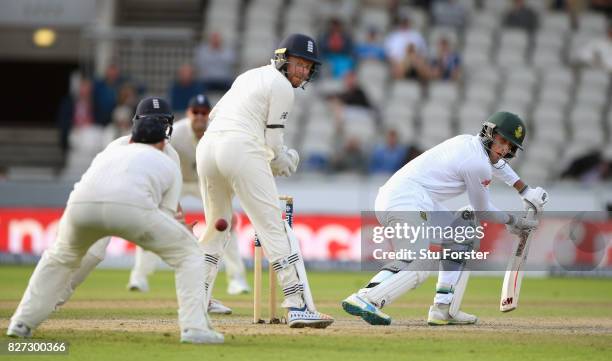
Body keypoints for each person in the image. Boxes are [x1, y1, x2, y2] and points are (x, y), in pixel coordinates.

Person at [6, 111, 223, 344]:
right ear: (162, 143)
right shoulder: (168, 161)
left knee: (58, 258)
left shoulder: (110, 152)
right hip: (132, 209)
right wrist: (183, 234)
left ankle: (21, 322)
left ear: (131, 138)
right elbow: (166, 214)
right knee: (189, 253)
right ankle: (194, 328)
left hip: (81, 206)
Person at [341, 111, 548, 326]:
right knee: (419, 262)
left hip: (415, 199)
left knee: (463, 230)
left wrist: (524, 190)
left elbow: (499, 166)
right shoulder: (476, 162)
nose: (505, 149)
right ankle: (366, 297)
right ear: (490, 133)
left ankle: (443, 308)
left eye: (511, 146)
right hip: (405, 199)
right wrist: (514, 222)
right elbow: (483, 210)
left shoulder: (469, 143)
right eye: (503, 140)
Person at [196, 33, 334, 328]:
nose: (303, 72)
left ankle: (197, 299)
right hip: (240, 146)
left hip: (207, 147)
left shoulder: (249, 76)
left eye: (308, 67)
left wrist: (272, 158)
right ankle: (298, 305)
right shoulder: (282, 86)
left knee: (217, 226)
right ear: (284, 60)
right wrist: (287, 160)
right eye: (298, 64)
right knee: (275, 227)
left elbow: (216, 116)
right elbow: (272, 143)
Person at [54, 97, 233, 315]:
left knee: (188, 249)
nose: (156, 127)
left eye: (160, 122)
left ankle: (200, 301)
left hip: (132, 208)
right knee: (90, 254)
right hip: (107, 205)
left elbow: (171, 198)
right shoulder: (118, 146)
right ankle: (54, 298)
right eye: (152, 121)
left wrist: (182, 224)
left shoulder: (170, 154)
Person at [128, 94, 251, 299]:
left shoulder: (218, 133)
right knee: (153, 220)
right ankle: (139, 276)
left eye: (204, 113)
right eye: (196, 112)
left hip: (207, 181)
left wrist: (228, 204)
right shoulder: (176, 134)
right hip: (177, 181)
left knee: (225, 222)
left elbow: (229, 167)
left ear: (209, 115)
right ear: (188, 113)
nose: (200, 117)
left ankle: (237, 279)